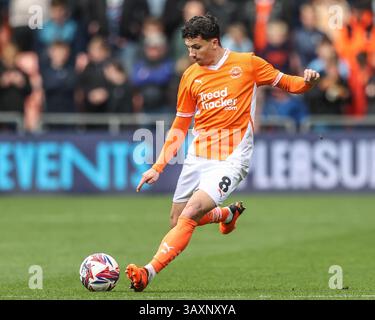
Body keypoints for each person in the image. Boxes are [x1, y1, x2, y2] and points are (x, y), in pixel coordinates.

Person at [126, 14, 320, 292]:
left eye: (197, 48)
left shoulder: (248, 64)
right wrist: (157, 167)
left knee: (190, 213)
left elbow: (290, 83)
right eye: (188, 48)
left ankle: (148, 272)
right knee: (177, 219)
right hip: (197, 156)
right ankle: (225, 215)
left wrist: (308, 82)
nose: (191, 54)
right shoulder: (190, 76)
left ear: (214, 42)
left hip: (232, 158)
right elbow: (180, 125)